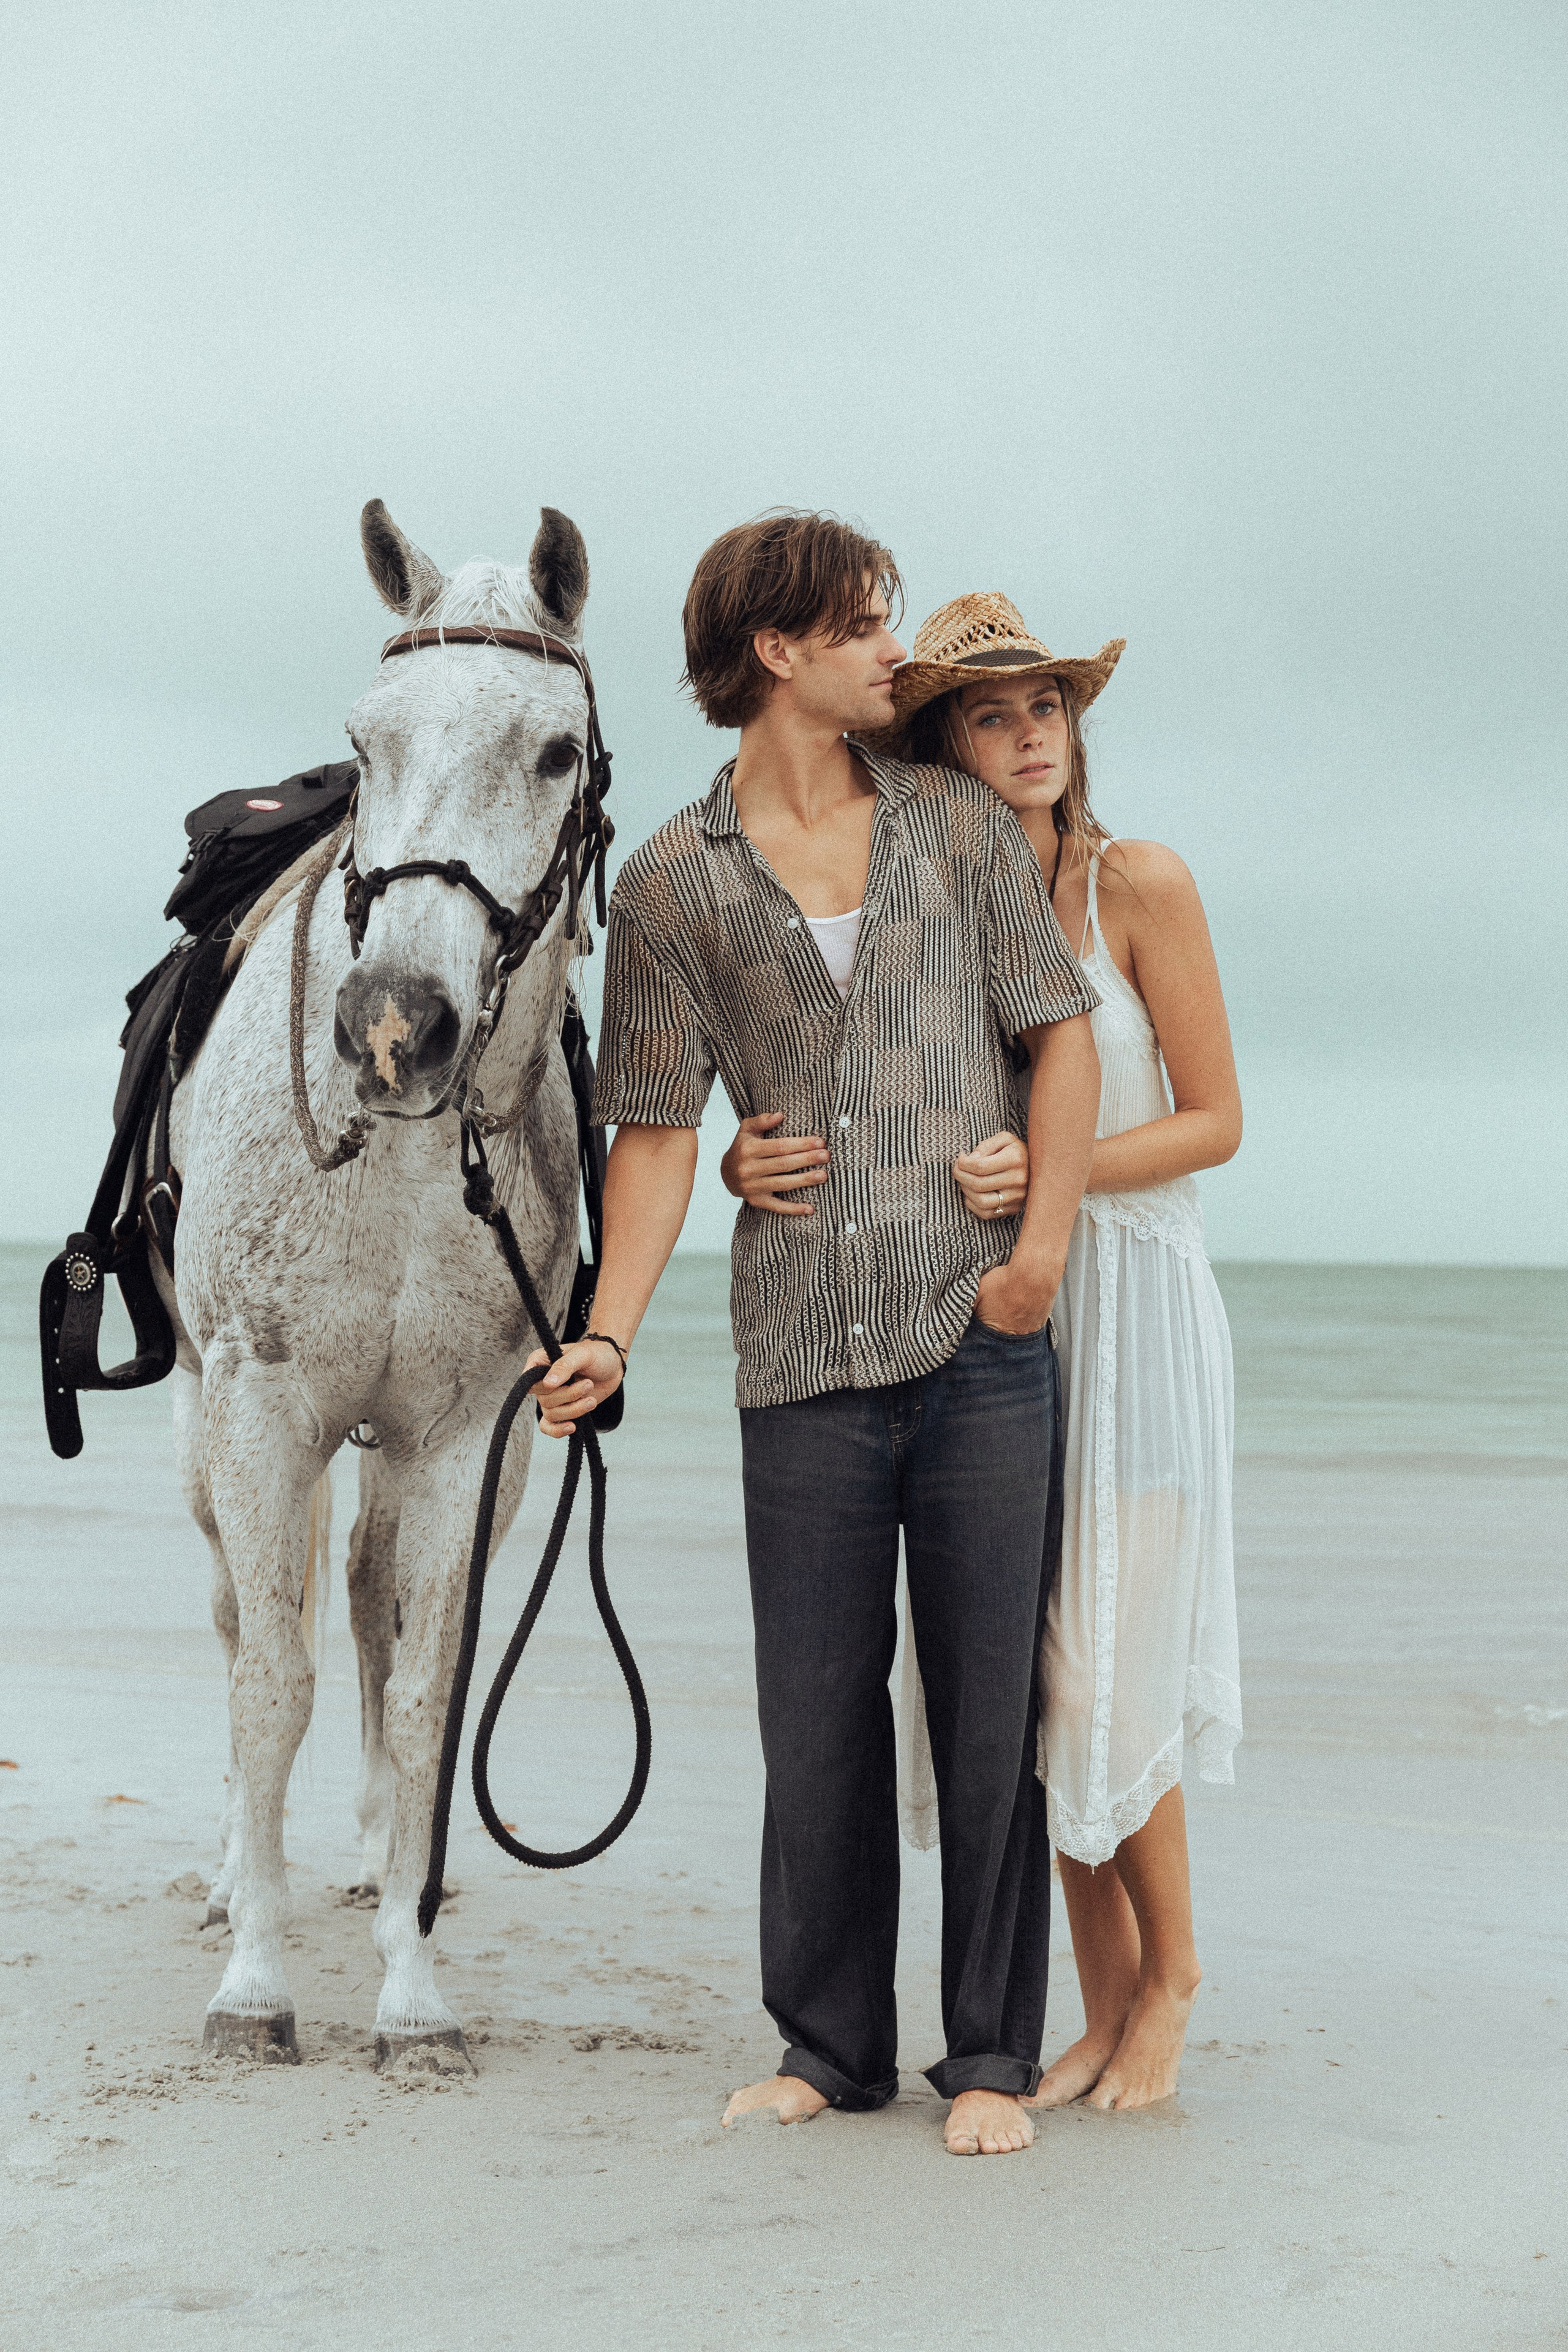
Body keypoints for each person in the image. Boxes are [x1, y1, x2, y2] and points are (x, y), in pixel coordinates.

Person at [528, 516, 1101, 2158]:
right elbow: (648, 1127)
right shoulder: (669, 883)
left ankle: (988, 2060)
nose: (893, 659)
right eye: (865, 630)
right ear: (777, 650)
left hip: (983, 1341)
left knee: (990, 1718)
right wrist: (610, 1335)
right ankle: (830, 2045)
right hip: (797, 1358)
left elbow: (1058, 1038)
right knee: (820, 1716)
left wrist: (1036, 1260)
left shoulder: (957, 824)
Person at [724, 591, 1243, 2112]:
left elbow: (1215, 1117)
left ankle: (1172, 1983)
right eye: (989, 716)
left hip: (1124, 1300)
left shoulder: (1133, 881)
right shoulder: (926, 881)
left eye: (1047, 711)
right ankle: (1085, 2008)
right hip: (985, 1313)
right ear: (943, 742)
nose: (1028, 739)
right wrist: (746, 1162)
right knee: (1015, 1692)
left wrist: (1050, 1173)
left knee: (1101, 1675)